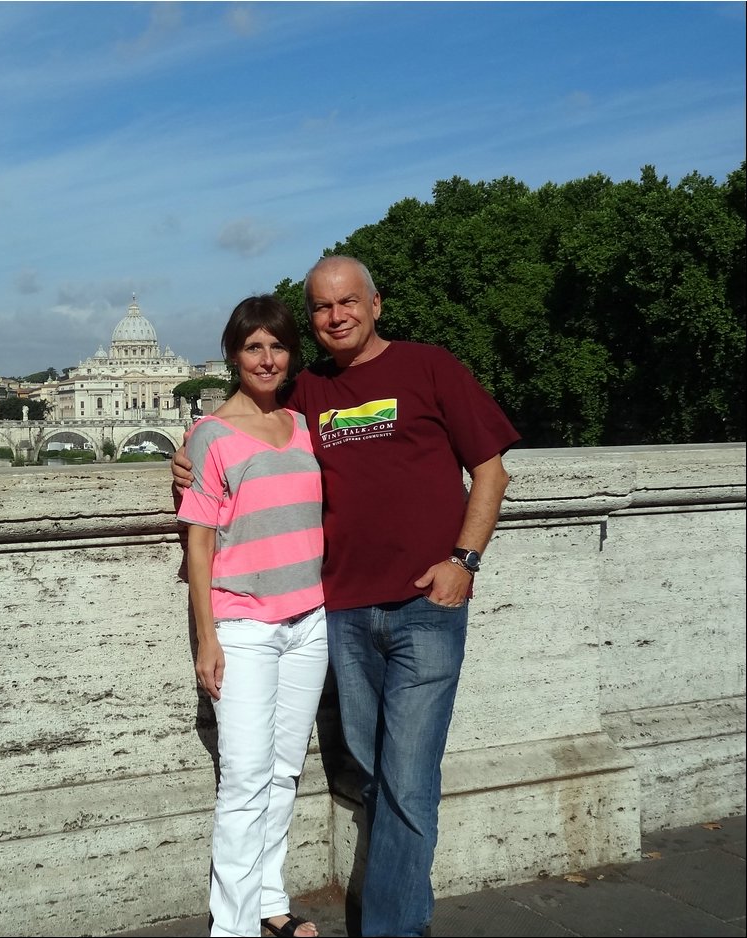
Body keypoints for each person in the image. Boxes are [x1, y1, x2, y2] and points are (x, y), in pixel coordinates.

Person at [174, 257, 521, 937]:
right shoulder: (309, 392)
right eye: (322, 308)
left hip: (425, 606)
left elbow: (491, 471)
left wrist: (465, 560)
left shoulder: (430, 367)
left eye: (348, 302)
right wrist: (186, 451)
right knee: (369, 772)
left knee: (409, 778)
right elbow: (247, 420)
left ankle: (394, 929)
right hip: (344, 613)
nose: (336, 316)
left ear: (376, 304)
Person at [177, 294, 328, 938]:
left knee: (285, 772)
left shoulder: (303, 426)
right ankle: (230, 928)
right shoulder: (209, 434)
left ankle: (269, 901)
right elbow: (200, 545)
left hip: (310, 621)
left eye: (277, 346)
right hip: (245, 627)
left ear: (291, 354)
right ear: (233, 355)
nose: (266, 359)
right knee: (243, 779)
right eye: (252, 347)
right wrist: (207, 639)